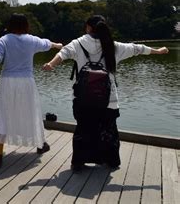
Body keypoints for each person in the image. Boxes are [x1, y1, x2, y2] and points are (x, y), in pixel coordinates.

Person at [42, 15, 169, 172]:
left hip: (83, 98)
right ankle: (111, 161)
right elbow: (137, 48)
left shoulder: (78, 43)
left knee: (83, 129)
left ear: (88, 27)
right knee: (109, 130)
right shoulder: (113, 45)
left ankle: (79, 162)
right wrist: (158, 51)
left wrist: (50, 64)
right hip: (108, 98)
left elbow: (63, 54)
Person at [0, 13, 62, 168]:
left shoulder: (5, 39)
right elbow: (47, 43)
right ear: (25, 25)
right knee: (32, 112)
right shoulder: (31, 40)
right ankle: (40, 144)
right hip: (26, 82)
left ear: (10, 25)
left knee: (3, 115)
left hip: (7, 82)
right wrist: (57, 45)